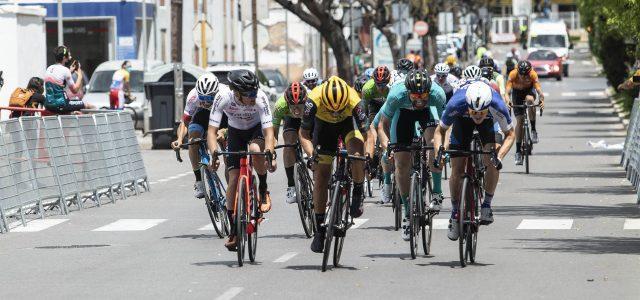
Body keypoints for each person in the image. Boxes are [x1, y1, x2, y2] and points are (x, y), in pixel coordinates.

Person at [433, 81, 515, 240]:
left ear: (487, 107)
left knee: (491, 161)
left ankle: (486, 205)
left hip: (488, 124)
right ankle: (455, 212)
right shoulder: (457, 102)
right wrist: (439, 152)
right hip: (462, 121)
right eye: (474, 112)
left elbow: (511, 135)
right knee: (456, 168)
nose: (477, 115)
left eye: (481, 112)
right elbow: (440, 131)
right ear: (468, 105)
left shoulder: (496, 104)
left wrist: (499, 157)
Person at [207, 69, 277, 250]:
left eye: (255, 91)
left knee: (255, 149)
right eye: (249, 93)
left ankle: (262, 187)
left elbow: (269, 132)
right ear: (237, 93)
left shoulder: (260, 98)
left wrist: (269, 152)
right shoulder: (223, 97)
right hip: (235, 131)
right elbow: (212, 132)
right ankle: (233, 230)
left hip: (256, 129)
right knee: (233, 179)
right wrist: (214, 153)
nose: (253, 96)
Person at [299, 76, 368, 253]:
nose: (336, 112)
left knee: (357, 153)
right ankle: (319, 230)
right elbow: (304, 134)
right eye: (332, 109)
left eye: (340, 109)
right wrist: (310, 154)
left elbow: (368, 133)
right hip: (323, 128)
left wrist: (369, 156)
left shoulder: (354, 99)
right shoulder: (313, 99)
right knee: (321, 177)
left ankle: (358, 190)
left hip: (348, 125)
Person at [378, 69, 446, 241]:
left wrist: (442, 148)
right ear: (408, 91)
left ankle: (437, 192)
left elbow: (445, 125)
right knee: (401, 164)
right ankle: (407, 212)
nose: (420, 99)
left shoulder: (437, 94)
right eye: (415, 95)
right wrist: (388, 146)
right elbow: (382, 125)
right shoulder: (396, 96)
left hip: (428, 115)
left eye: (424, 95)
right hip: (403, 116)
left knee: (433, 146)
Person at [171, 74, 224, 198]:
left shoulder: (224, 94)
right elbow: (184, 122)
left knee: (226, 146)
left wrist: (223, 133)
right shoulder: (193, 97)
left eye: (209, 98)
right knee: (193, 139)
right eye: (202, 98)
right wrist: (179, 139)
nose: (205, 102)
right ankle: (199, 181)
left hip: (222, 117)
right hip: (202, 116)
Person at [272, 82, 308, 204]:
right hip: (290, 120)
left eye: (300, 106)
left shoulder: (312, 102)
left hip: (308, 119)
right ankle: (291, 184)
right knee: (288, 143)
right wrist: (271, 152)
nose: (297, 110)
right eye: (293, 106)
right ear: (287, 103)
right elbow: (273, 134)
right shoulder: (280, 106)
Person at [504, 60, 545, 165]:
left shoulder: (532, 74)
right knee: (520, 121)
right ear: (518, 71)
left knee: (530, 100)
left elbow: (539, 90)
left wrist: (541, 99)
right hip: (517, 94)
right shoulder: (513, 74)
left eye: (526, 74)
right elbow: (507, 91)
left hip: (528, 91)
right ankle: (518, 151)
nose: (523, 77)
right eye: (521, 74)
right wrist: (508, 101)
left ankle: (533, 130)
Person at [362, 66, 391, 202]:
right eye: (378, 84)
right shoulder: (368, 89)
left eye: (383, 84)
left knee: (387, 130)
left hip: (388, 107)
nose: (380, 87)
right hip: (374, 107)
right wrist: (366, 129)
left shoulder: (391, 88)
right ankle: (372, 163)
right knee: (372, 136)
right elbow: (363, 111)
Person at [43, 46, 95, 114]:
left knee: (73, 112)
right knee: (90, 106)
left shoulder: (49, 68)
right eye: (69, 56)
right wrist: (80, 76)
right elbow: (75, 90)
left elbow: (59, 81)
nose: (70, 58)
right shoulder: (65, 70)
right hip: (62, 104)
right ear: (64, 58)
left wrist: (70, 71)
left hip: (49, 105)